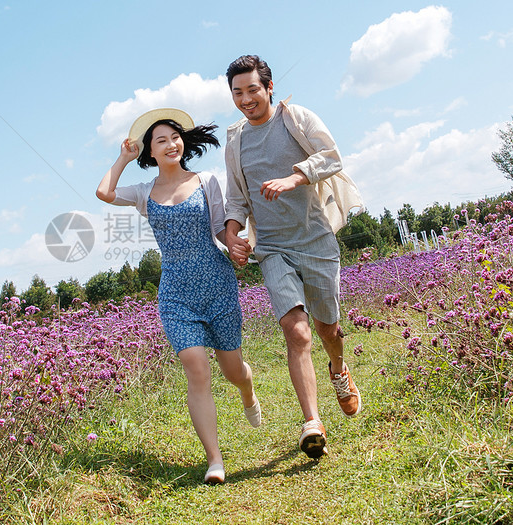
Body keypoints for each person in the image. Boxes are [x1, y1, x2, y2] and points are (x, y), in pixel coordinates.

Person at [96, 108, 260, 484]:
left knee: (232, 370)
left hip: (217, 284)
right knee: (197, 369)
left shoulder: (206, 181)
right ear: (149, 152)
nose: (171, 144)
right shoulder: (144, 193)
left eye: (175, 137)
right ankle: (214, 460)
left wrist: (237, 244)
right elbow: (104, 192)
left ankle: (248, 390)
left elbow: (221, 229)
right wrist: (122, 157)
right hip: (176, 293)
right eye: (161, 141)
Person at [222, 55, 364, 459]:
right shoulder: (236, 142)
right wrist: (234, 236)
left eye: (253, 90)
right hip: (272, 248)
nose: (246, 99)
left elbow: (332, 156)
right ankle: (312, 422)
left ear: (268, 88)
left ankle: (338, 369)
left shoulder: (294, 117)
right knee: (296, 330)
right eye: (238, 93)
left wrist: (294, 177)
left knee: (327, 329)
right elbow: (235, 198)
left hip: (315, 240)